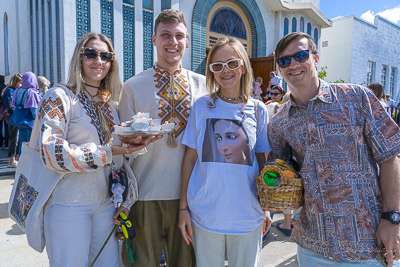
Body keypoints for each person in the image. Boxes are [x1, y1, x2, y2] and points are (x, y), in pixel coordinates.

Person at [268, 32, 400, 266]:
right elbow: (278, 173)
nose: (293, 64)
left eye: (300, 55)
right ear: (279, 68)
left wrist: (392, 219)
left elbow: (391, 156)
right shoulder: (279, 122)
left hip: (368, 243)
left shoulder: (357, 98)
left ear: (316, 59)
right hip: (313, 247)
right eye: (284, 60)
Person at [37, 32, 155, 266]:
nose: (98, 61)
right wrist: (108, 153)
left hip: (106, 205)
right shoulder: (60, 97)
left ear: (112, 63)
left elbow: (118, 153)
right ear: (79, 58)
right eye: (90, 54)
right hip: (68, 204)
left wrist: (134, 144)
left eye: (105, 56)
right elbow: (51, 152)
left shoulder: (111, 105)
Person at [119, 9, 207, 267]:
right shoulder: (133, 86)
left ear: (187, 41)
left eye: (179, 36)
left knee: (187, 263)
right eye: (166, 35)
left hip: (190, 198)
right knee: (142, 262)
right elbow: (122, 146)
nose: (173, 42)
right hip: (145, 194)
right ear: (154, 39)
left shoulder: (203, 86)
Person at [178, 36, 272, 267]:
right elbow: (190, 159)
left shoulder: (258, 109)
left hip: (247, 214)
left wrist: (268, 207)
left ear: (243, 65)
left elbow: (263, 160)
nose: (225, 71)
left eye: (231, 63)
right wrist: (183, 208)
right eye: (217, 66)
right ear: (211, 72)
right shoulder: (201, 106)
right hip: (206, 213)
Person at [11, 72, 41, 155]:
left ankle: (22, 161)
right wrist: (39, 122)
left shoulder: (18, 90)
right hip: (30, 123)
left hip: (20, 121)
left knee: (22, 143)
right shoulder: (32, 92)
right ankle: (29, 164)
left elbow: (14, 105)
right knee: (32, 145)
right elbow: (34, 110)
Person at [1, 73, 22, 167]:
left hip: (12, 116)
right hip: (13, 116)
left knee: (15, 137)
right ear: (16, 82)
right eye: (20, 82)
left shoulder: (10, 90)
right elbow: (11, 105)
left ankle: (16, 158)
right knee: (14, 138)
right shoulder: (10, 91)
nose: (21, 85)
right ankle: (12, 159)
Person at [0, 75, 8, 149]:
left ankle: (0, 143)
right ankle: (6, 144)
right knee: (6, 126)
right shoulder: (6, 88)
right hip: (5, 108)